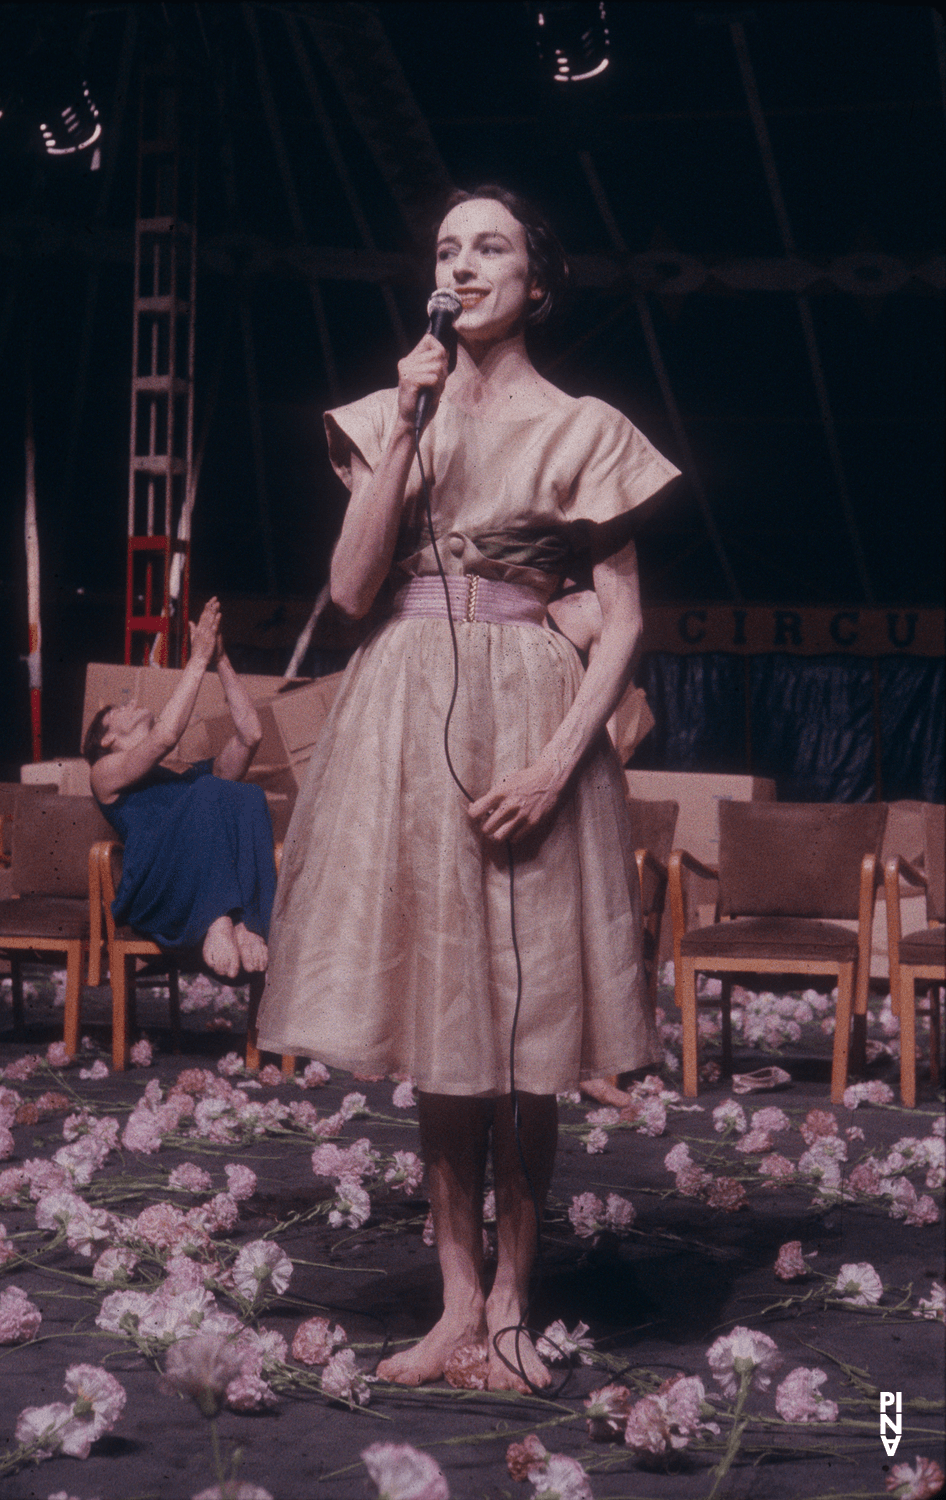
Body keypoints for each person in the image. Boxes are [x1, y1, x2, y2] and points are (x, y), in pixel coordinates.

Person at [256, 186, 680, 1391]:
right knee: (443, 1031)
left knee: (525, 1027)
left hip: (534, 713)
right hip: (402, 705)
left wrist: (553, 767)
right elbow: (348, 592)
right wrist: (404, 422)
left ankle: (509, 1305)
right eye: (447, 248)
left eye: (488, 245)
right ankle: (449, 1306)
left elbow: (625, 625)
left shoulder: (586, 426)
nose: (463, 262)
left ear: (535, 281)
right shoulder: (400, 409)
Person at [84, 598, 275, 980]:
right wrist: (197, 659)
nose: (133, 700)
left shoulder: (192, 774)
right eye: (120, 708)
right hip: (157, 887)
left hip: (203, 877)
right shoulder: (104, 772)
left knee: (247, 793)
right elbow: (164, 736)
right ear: (106, 740)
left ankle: (247, 924)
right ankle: (216, 921)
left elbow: (251, 733)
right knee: (208, 791)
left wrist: (220, 660)